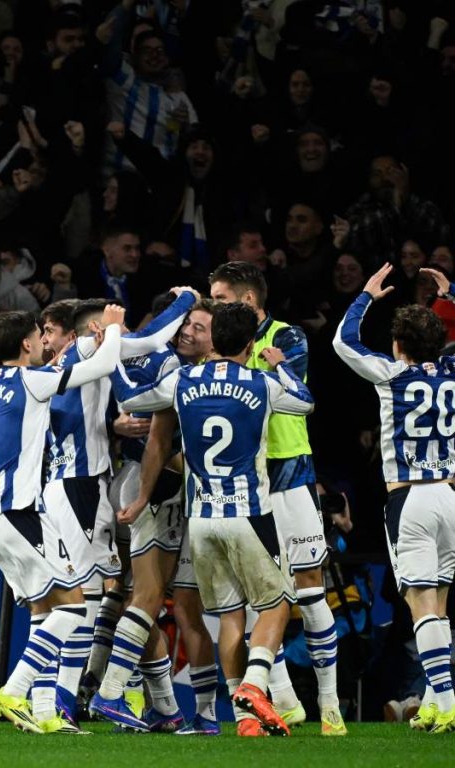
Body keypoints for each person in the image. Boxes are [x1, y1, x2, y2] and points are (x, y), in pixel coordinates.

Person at [112, 302, 314, 737]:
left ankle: (245, 720)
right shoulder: (262, 383)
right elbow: (305, 402)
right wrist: (280, 365)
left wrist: (112, 349)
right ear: (250, 344)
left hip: (201, 519)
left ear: (214, 339)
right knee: (277, 605)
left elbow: (130, 398)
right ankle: (255, 685)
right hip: (248, 513)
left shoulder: (182, 379)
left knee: (230, 617)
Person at [209, 261, 347, 735]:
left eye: (221, 298)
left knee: (309, 588)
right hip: (248, 483)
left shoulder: (287, 338)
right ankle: (286, 700)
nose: (213, 306)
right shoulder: (219, 345)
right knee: (261, 595)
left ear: (248, 300)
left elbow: (293, 394)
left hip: (290, 473)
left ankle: (330, 705)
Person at [0, 303, 127, 734]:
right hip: (21, 513)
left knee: (44, 611)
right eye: (37, 335)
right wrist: (113, 329)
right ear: (26, 344)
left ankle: (44, 712)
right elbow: (102, 364)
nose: (43, 341)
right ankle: (14, 690)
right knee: (74, 605)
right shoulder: (32, 379)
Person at [333, 264, 455, 734]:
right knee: (438, 606)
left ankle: (446, 702)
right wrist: (451, 294)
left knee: (420, 604)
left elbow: (344, 342)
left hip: (410, 500)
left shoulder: (391, 374)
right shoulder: (451, 373)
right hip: (449, 495)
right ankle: (432, 702)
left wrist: (365, 296)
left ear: (398, 344)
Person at [106, 295, 221, 735]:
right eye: (186, 323)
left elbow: (161, 440)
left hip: (195, 504)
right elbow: (147, 432)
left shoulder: (196, 377)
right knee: (147, 597)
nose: (187, 331)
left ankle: (200, 713)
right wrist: (116, 426)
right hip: (168, 495)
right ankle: (136, 697)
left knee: (181, 607)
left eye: (198, 327)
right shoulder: (169, 367)